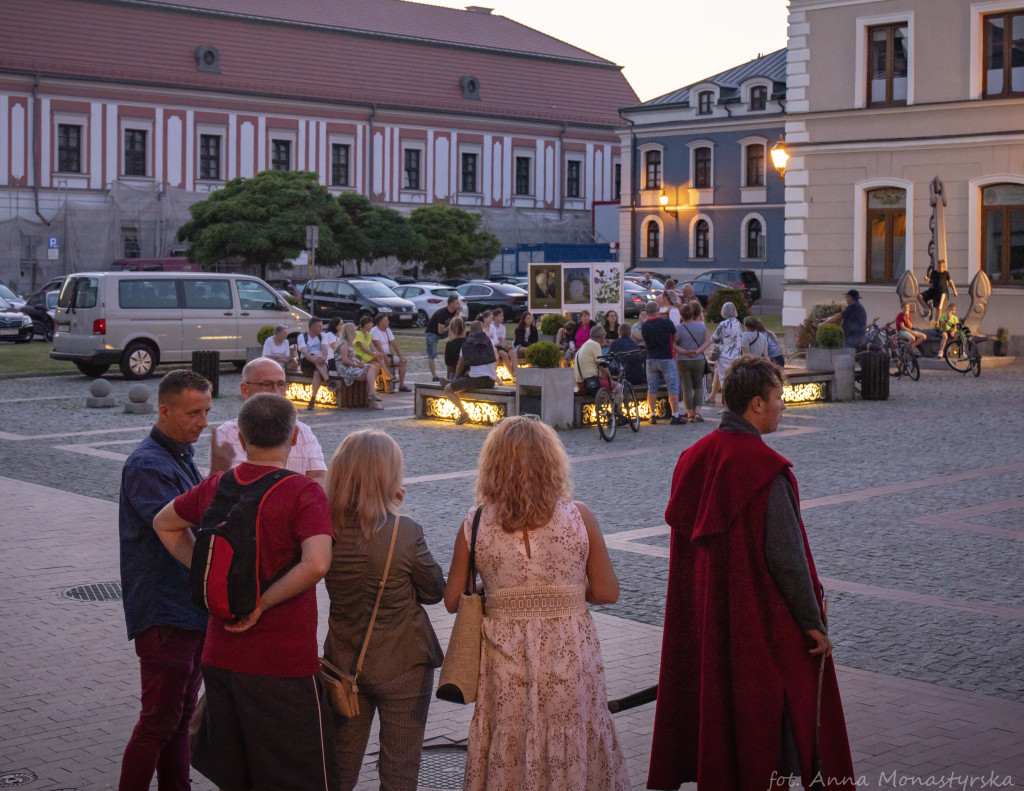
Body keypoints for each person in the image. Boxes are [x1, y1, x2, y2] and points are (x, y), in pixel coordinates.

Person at [648, 357, 854, 791]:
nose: (783, 406)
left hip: (707, 617)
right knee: (770, 727)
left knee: (717, 720)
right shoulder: (764, 469)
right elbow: (786, 558)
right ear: (757, 404)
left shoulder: (692, 458)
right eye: (779, 398)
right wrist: (813, 625)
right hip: (757, 623)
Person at [154, 393, 338, 791]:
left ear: (239, 436)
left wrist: (205, 571)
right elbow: (318, 563)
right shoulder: (304, 492)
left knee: (235, 776)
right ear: (293, 440)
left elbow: (163, 523)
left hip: (220, 656)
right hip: (283, 662)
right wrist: (263, 601)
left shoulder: (217, 486)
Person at [443, 417, 630, 791]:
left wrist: (498, 591)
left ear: (493, 465)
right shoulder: (580, 517)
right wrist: (571, 593)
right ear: (551, 462)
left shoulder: (475, 523)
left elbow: (452, 600)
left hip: (504, 658)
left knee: (509, 738)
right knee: (572, 735)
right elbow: (608, 592)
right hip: (569, 653)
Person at [323, 430, 445, 791]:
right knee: (400, 771)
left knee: (341, 768)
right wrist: (395, 514)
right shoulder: (404, 532)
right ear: (387, 476)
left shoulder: (323, 531)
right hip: (404, 662)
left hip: (345, 663)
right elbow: (434, 589)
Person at [118, 369, 212, 791]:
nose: (204, 421)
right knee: (158, 721)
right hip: (165, 613)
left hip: (187, 611)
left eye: (207, 411)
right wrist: (214, 578)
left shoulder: (179, 453)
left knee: (176, 719)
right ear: (165, 411)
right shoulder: (147, 464)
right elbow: (173, 530)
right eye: (194, 412)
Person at [210, 357, 329, 484]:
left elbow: (320, 478)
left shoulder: (303, 432)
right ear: (245, 390)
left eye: (281, 384)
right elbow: (239, 485)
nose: (277, 392)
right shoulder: (228, 433)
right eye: (267, 385)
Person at [444, 320, 497, 425]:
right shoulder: (489, 341)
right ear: (482, 330)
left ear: (470, 332)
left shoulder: (467, 344)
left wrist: (457, 377)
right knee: (462, 384)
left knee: (447, 389)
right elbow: (495, 357)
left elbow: (460, 365)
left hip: (475, 380)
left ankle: (463, 413)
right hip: (491, 380)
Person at [641, 300, 684, 425]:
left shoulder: (645, 326)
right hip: (666, 357)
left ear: (647, 312)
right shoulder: (666, 323)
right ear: (657, 310)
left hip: (651, 358)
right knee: (673, 387)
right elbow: (676, 337)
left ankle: (652, 415)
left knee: (652, 388)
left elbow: (645, 342)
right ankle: (675, 415)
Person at [673, 302, 711, 423]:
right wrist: (697, 351)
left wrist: (684, 351)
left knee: (687, 386)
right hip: (698, 359)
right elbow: (708, 341)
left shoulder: (678, 328)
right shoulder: (701, 326)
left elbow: (674, 344)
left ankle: (690, 413)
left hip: (683, 360)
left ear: (681, 315)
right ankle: (698, 412)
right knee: (698, 386)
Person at [334, 322, 383, 408]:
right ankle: (372, 395)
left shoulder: (349, 343)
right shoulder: (344, 344)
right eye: (354, 331)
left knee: (370, 369)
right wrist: (356, 365)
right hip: (345, 369)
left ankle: (371, 396)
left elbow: (352, 357)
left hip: (351, 366)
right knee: (369, 370)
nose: (355, 333)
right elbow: (345, 360)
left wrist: (359, 362)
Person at [573, 325, 622, 410]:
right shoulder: (595, 345)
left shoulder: (587, 344)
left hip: (581, 382)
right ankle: (617, 413)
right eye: (604, 334)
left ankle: (610, 413)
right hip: (589, 382)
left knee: (611, 389)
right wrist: (610, 379)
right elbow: (602, 365)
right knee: (619, 387)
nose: (605, 336)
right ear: (601, 336)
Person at [709, 302, 743, 405]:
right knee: (733, 380)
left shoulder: (723, 324)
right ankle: (733, 404)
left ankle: (727, 406)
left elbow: (714, 338)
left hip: (724, 355)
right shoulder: (738, 323)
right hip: (736, 355)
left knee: (724, 381)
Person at [371, 314, 410, 392]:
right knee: (387, 361)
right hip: (379, 355)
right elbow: (378, 346)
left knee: (403, 362)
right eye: (386, 320)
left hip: (388, 354)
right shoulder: (374, 330)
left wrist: (400, 355)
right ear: (380, 322)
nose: (388, 322)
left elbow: (393, 343)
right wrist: (385, 356)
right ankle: (387, 386)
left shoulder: (388, 330)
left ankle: (402, 385)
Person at [298, 317, 331, 410]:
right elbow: (305, 353)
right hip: (307, 363)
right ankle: (328, 380)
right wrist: (315, 360)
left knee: (317, 374)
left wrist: (324, 358)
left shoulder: (323, 336)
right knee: (315, 356)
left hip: (321, 364)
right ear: (312, 327)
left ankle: (312, 399)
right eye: (319, 326)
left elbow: (325, 348)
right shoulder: (302, 337)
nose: (321, 328)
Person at [426, 294, 461, 383]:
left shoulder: (454, 311)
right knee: (432, 354)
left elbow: (455, 322)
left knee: (457, 333)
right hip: (432, 333)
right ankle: (434, 376)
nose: (459, 305)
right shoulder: (442, 313)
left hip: (443, 331)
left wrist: (457, 313)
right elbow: (441, 331)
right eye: (457, 303)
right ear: (451, 304)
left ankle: (455, 352)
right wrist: (451, 325)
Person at [491, 308, 517, 373]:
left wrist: (506, 346)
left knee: (513, 352)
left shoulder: (503, 327)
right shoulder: (491, 326)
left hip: (501, 347)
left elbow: (503, 341)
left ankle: (516, 373)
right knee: (504, 354)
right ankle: (512, 374)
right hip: (494, 347)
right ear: (494, 317)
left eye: (503, 315)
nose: (502, 317)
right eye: (500, 315)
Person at [444, 316, 467, 381]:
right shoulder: (469, 342)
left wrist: (448, 379)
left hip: (455, 373)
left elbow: (449, 365)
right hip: (468, 373)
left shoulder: (450, 344)